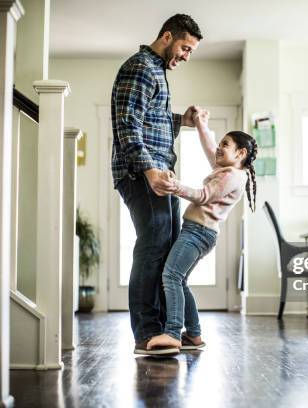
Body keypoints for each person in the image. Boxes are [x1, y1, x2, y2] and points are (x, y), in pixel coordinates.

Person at [111, 14, 203, 355]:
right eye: (185, 47)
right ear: (167, 36)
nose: (186, 56)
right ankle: (146, 333)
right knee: (153, 249)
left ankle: (169, 330)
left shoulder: (155, 71)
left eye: (191, 51)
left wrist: (184, 120)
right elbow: (128, 125)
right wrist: (150, 171)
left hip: (161, 175)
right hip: (143, 174)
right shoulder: (140, 68)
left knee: (166, 251)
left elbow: (152, 119)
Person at [146, 108, 258, 352]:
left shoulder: (232, 176)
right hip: (198, 231)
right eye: (220, 143)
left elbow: (203, 195)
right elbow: (210, 149)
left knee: (171, 276)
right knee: (180, 280)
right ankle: (194, 336)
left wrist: (175, 186)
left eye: (225, 144)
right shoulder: (228, 170)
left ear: (240, 153)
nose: (219, 148)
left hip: (198, 232)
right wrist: (201, 124)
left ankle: (173, 333)